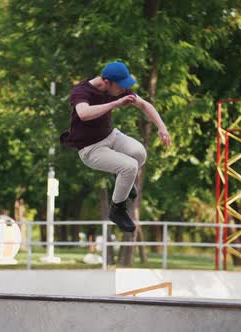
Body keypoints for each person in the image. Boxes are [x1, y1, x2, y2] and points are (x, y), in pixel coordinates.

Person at [60, 61, 171, 233]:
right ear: (106, 82)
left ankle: (122, 180)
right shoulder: (81, 91)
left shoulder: (116, 86)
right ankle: (117, 210)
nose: (122, 91)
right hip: (90, 149)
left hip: (111, 136)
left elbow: (144, 104)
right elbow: (84, 114)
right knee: (129, 166)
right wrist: (115, 104)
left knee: (139, 152)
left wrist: (162, 127)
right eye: (120, 87)